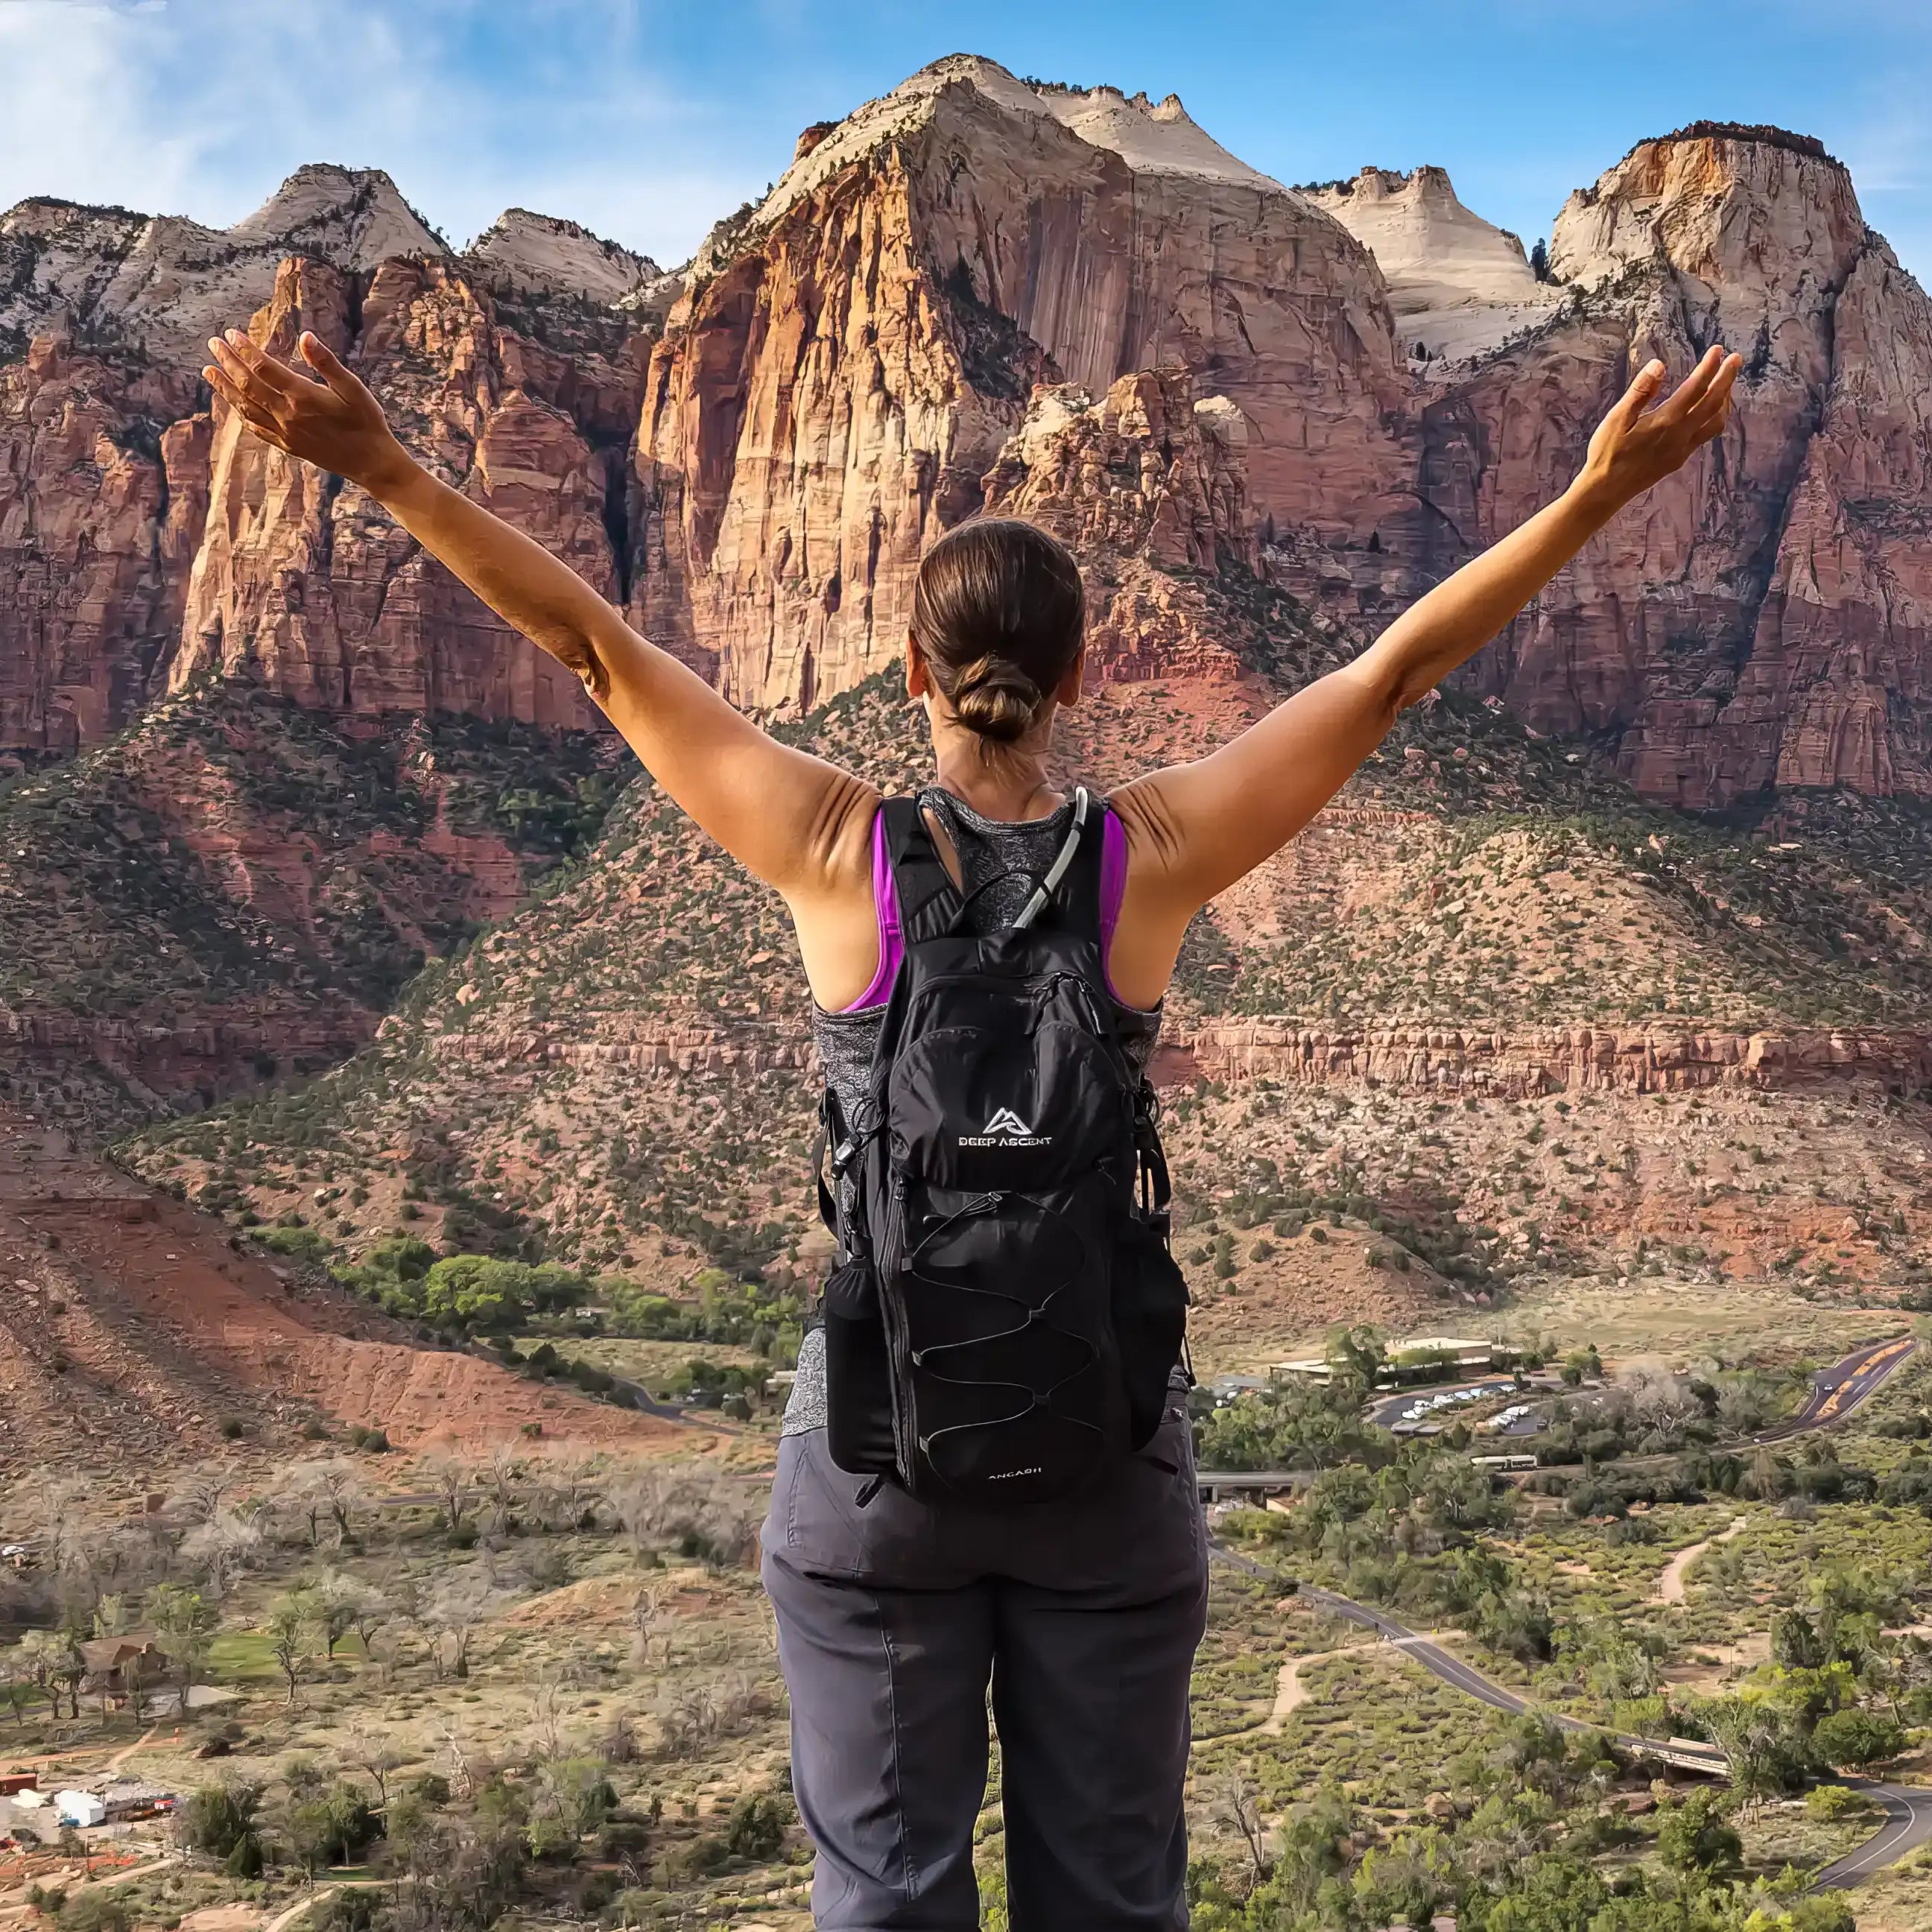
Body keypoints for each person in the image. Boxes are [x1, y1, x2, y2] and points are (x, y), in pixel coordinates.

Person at [204, 321, 1741, 1929]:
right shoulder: (1148, 855)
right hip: (1104, 1455)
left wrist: (376, 464)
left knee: (883, 1894)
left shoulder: (828, 845)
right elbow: (1392, 674)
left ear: (919, 674)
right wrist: (1590, 498)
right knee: (1110, 1900)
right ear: (1084, 676)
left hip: (876, 1457)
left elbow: (590, 647)